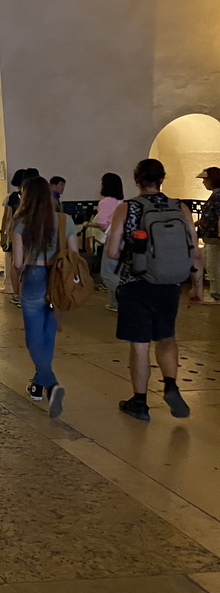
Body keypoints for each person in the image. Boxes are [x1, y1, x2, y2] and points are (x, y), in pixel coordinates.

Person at [106, 159, 203, 421]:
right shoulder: (179, 207)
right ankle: (171, 385)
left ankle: (139, 403)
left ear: (137, 180)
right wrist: (197, 285)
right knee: (166, 337)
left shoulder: (127, 208)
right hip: (169, 283)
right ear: (162, 179)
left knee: (139, 344)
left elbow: (112, 251)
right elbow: (194, 250)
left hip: (135, 283)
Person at [12, 176, 76, 418]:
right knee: (48, 335)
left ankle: (51, 384)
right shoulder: (65, 220)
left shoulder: (21, 222)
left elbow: (17, 262)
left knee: (34, 337)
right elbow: (74, 255)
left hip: (34, 279)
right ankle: (39, 383)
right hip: (58, 280)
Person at [89, 172, 125, 311]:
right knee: (119, 270)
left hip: (111, 238)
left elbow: (103, 225)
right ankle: (118, 301)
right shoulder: (121, 202)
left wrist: (89, 224)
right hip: (123, 238)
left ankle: (116, 302)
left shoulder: (104, 202)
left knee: (108, 272)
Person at [0, 169, 27, 305]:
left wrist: (3, 233)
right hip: (28, 235)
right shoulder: (35, 198)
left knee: (12, 262)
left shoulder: (11, 197)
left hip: (13, 233)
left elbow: (6, 218)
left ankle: (12, 289)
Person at [195, 167, 220, 304]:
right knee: (211, 264)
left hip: (215, 238)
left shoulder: (218, 197)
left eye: (206, 179)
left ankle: (217, 294)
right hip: (211, 237)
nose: (204, 182)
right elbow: (207, 216)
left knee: (214, 265)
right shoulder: (215, 196)